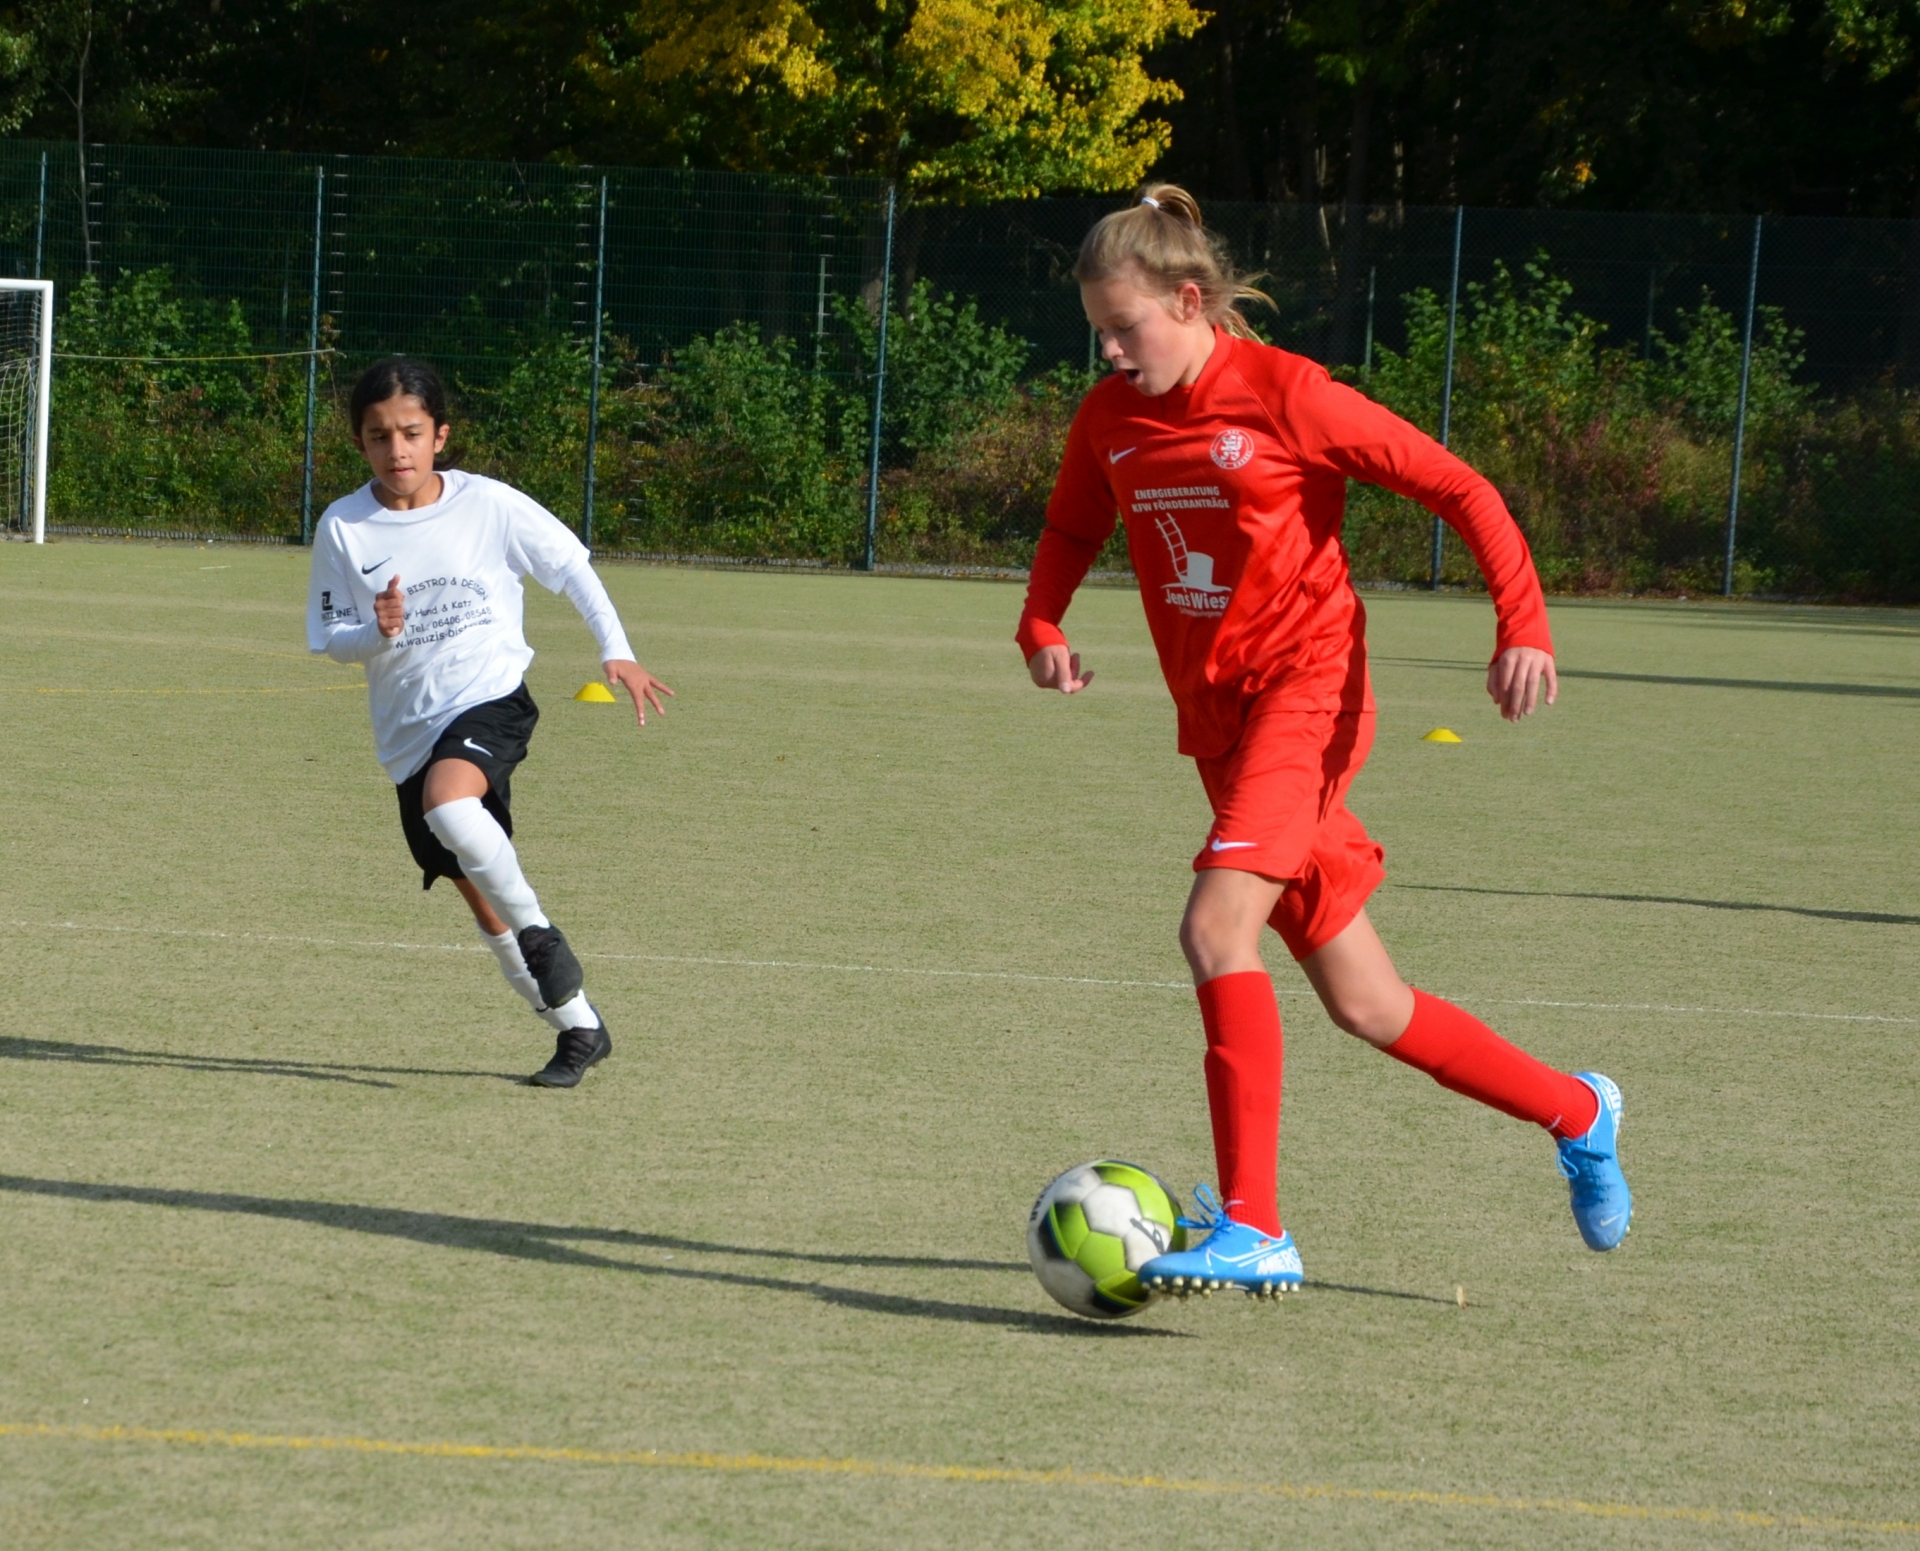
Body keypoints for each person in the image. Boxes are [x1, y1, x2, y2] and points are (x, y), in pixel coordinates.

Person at [1017, 186, 1631, 1299]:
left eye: (1125, 326)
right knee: (1368, 1003)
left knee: (1215, 928)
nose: (1108, 350)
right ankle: (1577, 1110)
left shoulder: (1288, 394)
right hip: (1220, 727)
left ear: (1189, 301)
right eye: (1097, 330)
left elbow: (1461, 488)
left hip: (1310, 700)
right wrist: (1042, 621)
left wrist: (1524, 624)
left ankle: (1256, 1225)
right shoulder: (1110, 418)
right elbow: (1072, 522)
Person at [306, 359, 672, 1088]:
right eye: (379, 436)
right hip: (405, 736)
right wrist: (376, 632)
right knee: (480, 891)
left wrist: (618, 649)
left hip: (490, 699)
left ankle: (542, 932)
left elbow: (571, 567)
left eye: (412, 432)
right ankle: (580, 1028)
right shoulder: (343, 526)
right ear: (360, 443)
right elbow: (333, 638)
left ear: (440, 435)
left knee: (451, 804)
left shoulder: (490, 504)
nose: (397, 450)